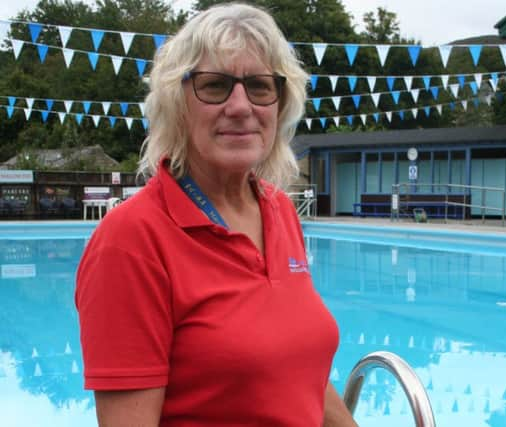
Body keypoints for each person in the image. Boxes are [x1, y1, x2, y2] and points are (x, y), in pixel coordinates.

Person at [75, 3, 358, 426]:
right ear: (177, 103)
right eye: (214, 85)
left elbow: (301, 379)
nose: (241, 106)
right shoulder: (133, 238)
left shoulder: (279, 210)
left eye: (260, 86)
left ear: (280, 104)